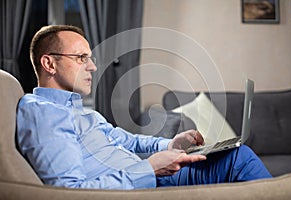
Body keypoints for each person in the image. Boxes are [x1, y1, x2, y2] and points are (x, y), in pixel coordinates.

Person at [16, 25, 272, 190]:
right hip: (143, 188)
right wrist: (148, 168)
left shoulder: (81, 113)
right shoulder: (43, 112)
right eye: (81, 58)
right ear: (49, 63)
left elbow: (125, 139)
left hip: (150, 179)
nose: (92, 67)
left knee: (235, 156)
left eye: (90, 58)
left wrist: (169, 145)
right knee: (239, 160)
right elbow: (69, 192)